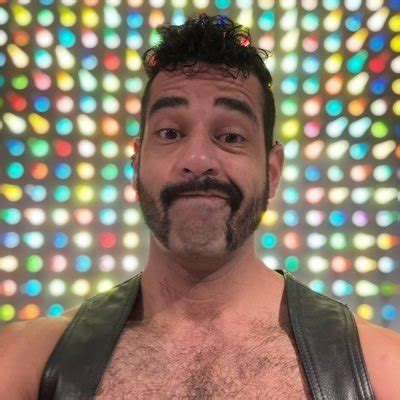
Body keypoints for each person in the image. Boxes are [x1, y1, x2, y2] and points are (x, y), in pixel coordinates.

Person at [0, 14, 399, 400]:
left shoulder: (383, 370)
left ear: (272, 171)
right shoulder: (24, 362)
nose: (198, 159)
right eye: (170, 132)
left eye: (231, 136)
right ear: (136, 166)